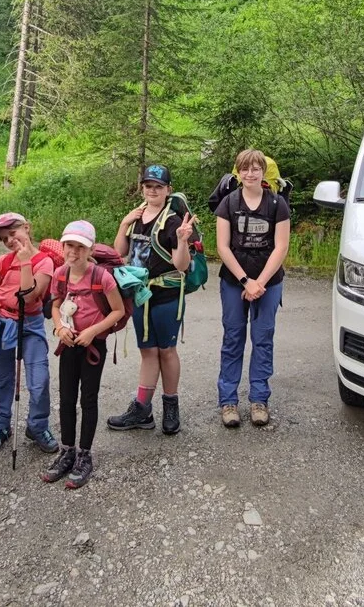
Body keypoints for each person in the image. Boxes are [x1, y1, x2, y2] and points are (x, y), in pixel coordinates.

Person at [106, 164, 193, 434]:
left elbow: (181, 266)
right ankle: (143, 410)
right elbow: (119, 252)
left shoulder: (174, 221)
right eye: (148, 186)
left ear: (168, 190)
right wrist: (124, 224)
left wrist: (182, 241)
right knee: (147, 352)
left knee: (166, 351)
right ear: (142, 188)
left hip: (167, 294)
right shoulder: (136, 216)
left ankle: (170, 406)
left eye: (158, 186)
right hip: (141, 295)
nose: (152, 190)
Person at [44, 221, 125, 488]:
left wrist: (92, 331)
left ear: (90, 249)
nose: (73, 252)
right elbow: (55, 305)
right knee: (66, 398)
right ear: (63, 245)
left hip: (93, 345)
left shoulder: (102, 277)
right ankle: (67, 451)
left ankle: (85, 454)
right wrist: (58, 327)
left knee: (88, 399)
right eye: (69, 246)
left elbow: (118, 311)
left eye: (80, 247)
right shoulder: (60, 274)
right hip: (68, 343)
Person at [213, 150, 291, 427]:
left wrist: (260, 282)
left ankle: (259, 399)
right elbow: (222, 246)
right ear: (238, 172)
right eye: (245, 169)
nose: (250, 174)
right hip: (235, 282)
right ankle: (228, 401)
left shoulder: (277, 203)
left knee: (263, 338)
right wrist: (247, 281)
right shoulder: (228, 203)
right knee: (233, 338)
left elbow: (281, 245)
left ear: (263, 172)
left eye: (256, 169)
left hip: (269, 283)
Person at [0, 213, 59, 455]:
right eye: (5, 238)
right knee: (3, 380)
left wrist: (24, 261)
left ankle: (37, 426)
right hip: (2, 321)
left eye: (13, 234)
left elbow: (30, 296)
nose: (10, 241)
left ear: (27, 228)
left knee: (39, 380)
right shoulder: (2, 262)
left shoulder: (44, 262)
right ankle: (1, 426)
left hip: (30, 323)